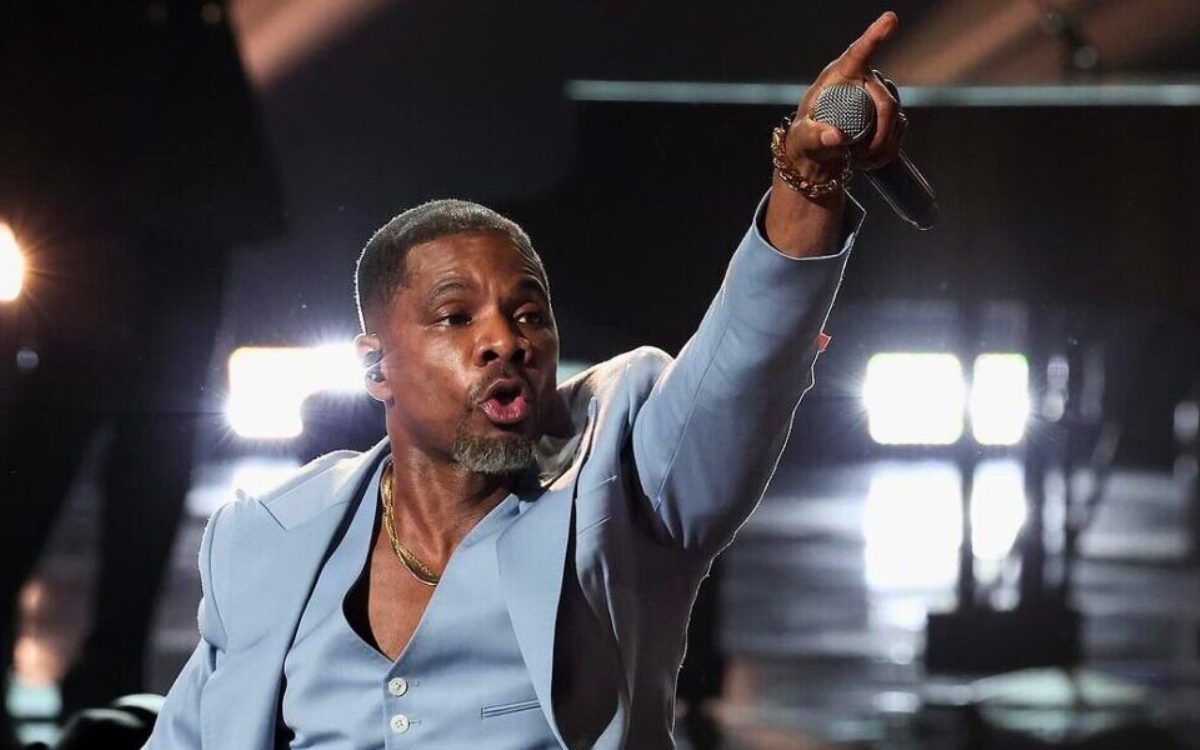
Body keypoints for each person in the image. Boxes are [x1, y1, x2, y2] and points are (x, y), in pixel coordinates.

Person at [146, 12, 906, 749]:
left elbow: (746, 365)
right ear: (377, 367)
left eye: (529, 315)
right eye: (456, 317)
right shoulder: (266, 540)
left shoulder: (621, 472)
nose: (505, 342)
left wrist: (808, 181)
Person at [0, 3, 280, 744]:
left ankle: (111, 665)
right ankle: (109, 665)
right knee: (85, 436)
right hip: (117, 191)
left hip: (151, 194)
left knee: (130, 442)